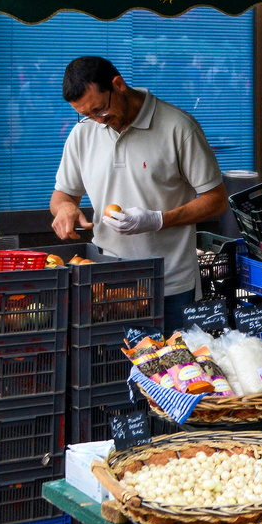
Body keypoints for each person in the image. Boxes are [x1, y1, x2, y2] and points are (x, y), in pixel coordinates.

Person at [50, 56, 230, 332]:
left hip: (169, 284)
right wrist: (65, 209)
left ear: (118, 84)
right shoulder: (83, 134)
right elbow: (62, 195)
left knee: (174, 371)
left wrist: (158, 220)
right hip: (106, 281)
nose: (98, 120)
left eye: (100, 109)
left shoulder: (178, 127)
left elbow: (216, 200)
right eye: (86, 115)